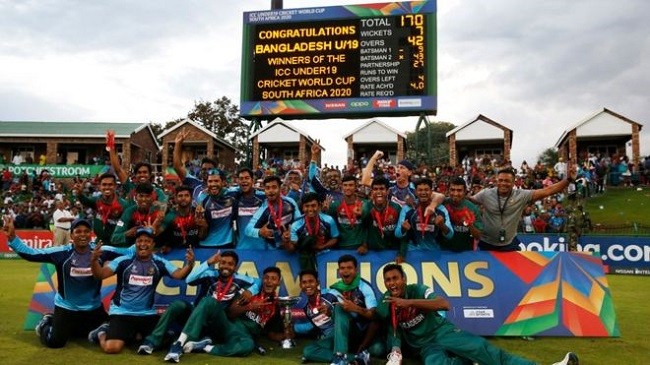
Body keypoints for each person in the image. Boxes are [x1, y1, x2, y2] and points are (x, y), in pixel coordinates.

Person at [375, 264, 579, 365]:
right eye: (388, 280)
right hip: (426, 346)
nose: (392, 283)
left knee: (485, 350)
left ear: (404, 278)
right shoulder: (386, 302)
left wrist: (408, 302)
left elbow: (444, 304)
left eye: (395, 278)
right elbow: (385, 325)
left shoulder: (418, 289)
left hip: (444, 332)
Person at [5, 217, 129, 348]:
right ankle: (45, 322)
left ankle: (80, 327)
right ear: (71, 235)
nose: (83, 235)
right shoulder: (61, 253)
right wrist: (13, 238)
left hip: (94, 309)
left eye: (86, 231)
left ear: (91, 234)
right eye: (78, 231)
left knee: (115, 332)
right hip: (67, 308)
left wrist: (147, 235)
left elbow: (129, 252)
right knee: (55, 343)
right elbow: (32, 253)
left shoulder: (101, 251)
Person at [89, 227, 195, 354]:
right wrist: (94, 260)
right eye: (139, 241)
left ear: (153, 244)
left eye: (147, 241)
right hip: (122, 312)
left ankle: (135, 334)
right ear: (135, 244)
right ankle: (102, 332)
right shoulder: (124, 260)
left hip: (147, 313)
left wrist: (190, 264)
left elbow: (179, 275)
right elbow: (100, 275)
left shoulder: (159, 262)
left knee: (164, 340)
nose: (143, 244)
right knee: (111, 348)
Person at [163, 250, 260, 362]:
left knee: (247, 345)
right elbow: (189, 279)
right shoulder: (210, 274)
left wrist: (251, 291)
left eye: (230, 264)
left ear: (235, 267)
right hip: (201, 321)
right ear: (218, 264)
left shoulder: (240, 279)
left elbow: (258, 281)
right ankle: (179, 343)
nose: (226, 266)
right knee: (208, 301)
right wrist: (208, 262)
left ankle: (205, 346)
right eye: (223, 262)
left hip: (221, 322)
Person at [471, 167, 576, 251]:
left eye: (507, 181)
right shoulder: (486, 193)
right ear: (496, 181)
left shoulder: (521, 195)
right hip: (486, 244)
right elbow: (470, 201)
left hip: (509, 244)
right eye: (500, 180)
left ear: (513, 183)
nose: (503, 183)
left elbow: (548, 190)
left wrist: (568, 180)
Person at [326, 254, 382, 365]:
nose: (345, 271)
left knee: (378, 349)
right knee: (309, 351)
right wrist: (328, 312)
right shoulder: (334, 289)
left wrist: (355, 308)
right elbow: (333, 317)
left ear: (356, 270)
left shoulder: (365, 287)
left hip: (364, 333)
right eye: (342, 268)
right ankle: (347, 356)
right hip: (346, 335)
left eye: (349, 268)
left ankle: (346, 356)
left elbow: (374, 315)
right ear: (339, 271)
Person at [226, 266, 287, 355]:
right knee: (247, 345)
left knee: (247, 345)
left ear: (278, 282)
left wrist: (287, 334)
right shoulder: (249, 292)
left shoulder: (275, 305)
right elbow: (230, 313)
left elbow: (271, 334)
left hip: (248, 337)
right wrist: (249, 307)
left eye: (273, 279)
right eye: (266, 278)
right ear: (262, 280)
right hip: (233, 328)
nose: (269, 281)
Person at [295, 269, 345, 364]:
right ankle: (354, 357)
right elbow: (316, 327)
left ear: (317, 282)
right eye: (304, 282)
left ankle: (339, 356)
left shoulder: (331, 294)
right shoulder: (307, 308)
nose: (308, 285)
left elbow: (348, 314)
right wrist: (293, 328)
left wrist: (331, 313)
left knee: (310, 351)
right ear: (300, 285)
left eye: (311, 281)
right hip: (328, 339)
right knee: (308, 351)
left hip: (342, 334)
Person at [107, 130, 167, 208]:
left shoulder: (157, 191)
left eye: (145, 172)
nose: (142, 175)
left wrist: (152, 204)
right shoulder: (130, 187)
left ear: (149, 175)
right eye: (139, 172)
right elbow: (118, 170)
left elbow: (163, 205)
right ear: (135, 175)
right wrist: (111, 145)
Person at [395, 177, 453, 256]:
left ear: (431, 192)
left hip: (434, 253)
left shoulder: (441, 209)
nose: (423, 192)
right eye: (420, 190)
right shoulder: (407, 208)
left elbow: (450, 235)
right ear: (415, 192)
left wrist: (442, 226)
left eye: (426, 190)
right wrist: (403, 229)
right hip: (413, 252)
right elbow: (397, 234)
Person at [245, 175, 300, 249]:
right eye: (267, 188)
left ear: (280, 188)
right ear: (264, 190)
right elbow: (248, 230)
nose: (271, 190)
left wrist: (292, 234)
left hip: (293, 246)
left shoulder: (290, 202)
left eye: (274, 187)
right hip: (273, 251)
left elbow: (300, 222)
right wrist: (260, 232)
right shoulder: (263, 209)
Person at [287, 192, 339, 270]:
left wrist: (323, 247)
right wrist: (286, 241)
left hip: (326, 258)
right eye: (307, 206)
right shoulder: (296, 225)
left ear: (319, 206)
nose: (310, 209)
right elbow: (293, 247)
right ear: (302, 207)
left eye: (313, 206)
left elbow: (335, 238)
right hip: (305, 260)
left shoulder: (329, 220)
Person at [359, 176, 406, 262]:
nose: (378, 192)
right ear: (372, 191)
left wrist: (401, 253)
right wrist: (364, 245)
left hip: (393, 252)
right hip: (373, 253)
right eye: (375, 189)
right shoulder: (367, 207)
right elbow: (364, 228)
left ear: (388, 191)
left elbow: (403, 232)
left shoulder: (396, 208)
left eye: (382, 189)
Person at [73, 173, 127, 246]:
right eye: (104, 184)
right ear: (100, 186)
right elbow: (85, 200)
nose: (107, 187)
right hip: (100, 243)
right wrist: (79, 193)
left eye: (110, 185)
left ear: (115, 186)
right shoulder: (96, 201)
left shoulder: (123, 205)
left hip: (117, 245)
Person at [111, 182, 166, 246]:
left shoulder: (158, 213)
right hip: (132, 249)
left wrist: (154, 228)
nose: (144, 199)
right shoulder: (129, 212)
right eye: (141, 196)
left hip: (154, 249)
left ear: (152, 197)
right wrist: (127, 233)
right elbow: (114, 238)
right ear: (136, 197)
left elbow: (165, 236)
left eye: (147, 196)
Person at [326, 174, 370, 252]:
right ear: (341, 187)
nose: (348, 188)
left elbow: (368, 226)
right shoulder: (335, 205)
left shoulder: (364, 204)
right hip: (341, 246)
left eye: (351, 185)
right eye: (345, 185)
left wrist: (364, 244)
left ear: (356, 186)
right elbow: (327, 224)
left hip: (360, 247)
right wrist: (323, 210)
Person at [172, 128, 218, 202]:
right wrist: (178, 144)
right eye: (204, 169)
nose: (206, 171)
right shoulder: (194, 183)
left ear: (216, 171)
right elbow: (177, 167)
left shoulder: (222, 189)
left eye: (210, 169)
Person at [157, 185, 208, 252]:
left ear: (191, 198)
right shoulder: (170, 215)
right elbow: (158, 234)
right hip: (174, 252)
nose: (183, 198)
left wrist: (204, 226)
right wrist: (157, 223)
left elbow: (201, 237)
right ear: (175, 198)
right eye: (180, 196)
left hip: (195, 251)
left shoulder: (198, 213)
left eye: (186, 195)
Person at [198, 168, 237, 248]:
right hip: (206, 244)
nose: (213, 184)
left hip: (227, 243)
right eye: (210, 181)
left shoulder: (233, 193)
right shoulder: (202, 198)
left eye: (216, 181)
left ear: (223, 182)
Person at [442, 177, 483, 251]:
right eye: (452, 190)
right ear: (448, 191)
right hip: (444, 251)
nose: (455, 193)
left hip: (465, 252)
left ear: (465, 192)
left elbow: (478, 236)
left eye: (459, 190)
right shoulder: (442, 203)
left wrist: (470, 224)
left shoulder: (472, 208)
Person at [232, 167, 267, 249]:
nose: (244, 181)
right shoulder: (234, 198)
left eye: (247, 178)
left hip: (262, 248)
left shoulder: (263, 197)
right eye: (241, 179)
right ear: (238, 181)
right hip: (241, 248)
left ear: (253, 180)